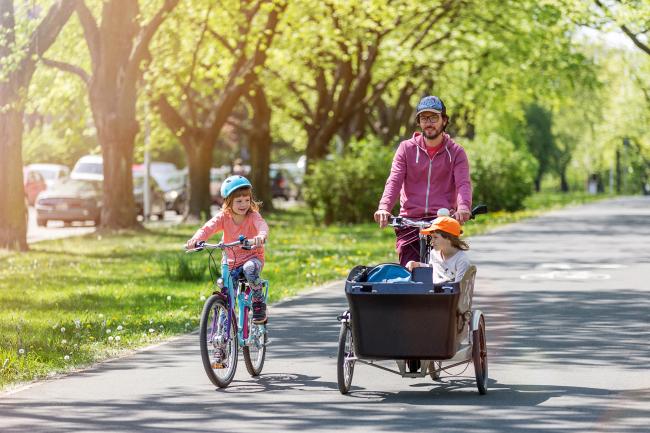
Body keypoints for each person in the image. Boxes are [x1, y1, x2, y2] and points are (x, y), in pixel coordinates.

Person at [374, 95, 472, 266]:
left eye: (434, 117)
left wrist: (463, 208)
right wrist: (384, 208)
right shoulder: (406, 148)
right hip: (410, 220)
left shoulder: (456, 152)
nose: (429, 122)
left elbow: (463, 183)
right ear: (419, 122)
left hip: (442, 220)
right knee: (410, 271)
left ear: (444, 120)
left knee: (444, 273)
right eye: (424, 118)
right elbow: (394, 180)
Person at [186, 175, 269, 325]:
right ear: (228, 202)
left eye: (247, 200)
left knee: (250, 269)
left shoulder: (253, 216)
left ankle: (258, 302)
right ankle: (223, 335)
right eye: (239, 201)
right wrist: (196, 239)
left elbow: (262, 225)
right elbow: (208, 227)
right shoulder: (223, 217)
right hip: (231, 261)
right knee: (227, 294)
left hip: (252, 257)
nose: (243, 204)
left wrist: (261, 236)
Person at [404, 216, 470, 284]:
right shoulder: (434, 253)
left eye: (435, 237)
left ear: (448, 238)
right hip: (433, 291)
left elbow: (459, 288)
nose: (432, 241)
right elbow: (434, 268)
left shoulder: (461, 260)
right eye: (431, 237)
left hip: (447, 293)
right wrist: (417, 264)